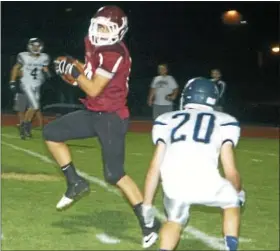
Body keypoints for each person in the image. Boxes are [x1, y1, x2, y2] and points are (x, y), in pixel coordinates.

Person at [43, 6, 159, 248]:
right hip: (93, 110)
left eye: (106, 27)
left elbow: (94, 87)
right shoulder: (91, 42)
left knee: (114, 174)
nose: (100, 31)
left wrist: (75, 73)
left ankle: (149, 224)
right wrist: (76, 73)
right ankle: (75, 182)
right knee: (51, 133)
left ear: (118, 31)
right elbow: (89, 74)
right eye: (98, 25)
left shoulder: (116, 53)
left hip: (111, 117)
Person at [142, 77, 246, 251]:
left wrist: (147, 204)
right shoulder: (225, 120)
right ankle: (231, 247)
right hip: (209, 182)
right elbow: (230, 170)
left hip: (175, 184)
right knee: (231, 203)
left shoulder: (166, 119)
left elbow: (154, 167)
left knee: (174, 220)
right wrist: (238, 192)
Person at [9, 38, 51, 139]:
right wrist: (12, 81)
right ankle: (26, 126)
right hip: (26, 83)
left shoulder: (44, 57)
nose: (36, 48)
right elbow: (16, 68)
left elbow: (44, 68)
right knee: (34, 106)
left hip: (37, 85)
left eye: (37, 46)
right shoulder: (23, 56)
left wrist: (48, 73)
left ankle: (24, 126)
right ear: (30, 46)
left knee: (33, 107)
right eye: (34, 46)